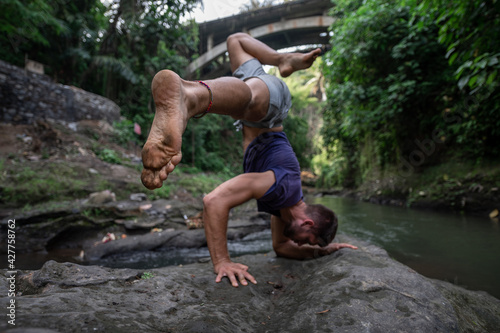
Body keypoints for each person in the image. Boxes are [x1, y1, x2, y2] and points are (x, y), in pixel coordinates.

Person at [141, 33, 357, 287]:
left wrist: (321, 250)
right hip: (271, 105)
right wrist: (222, 261)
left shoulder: (281, 209)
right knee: (250, 104)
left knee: (234, 41)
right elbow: (214, 201)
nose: (299, 244)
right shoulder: (284, 187)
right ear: (308, 222)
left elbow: (281, 248)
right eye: (307, 239)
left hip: (255, 90)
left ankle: (283, 60)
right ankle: (190, 96)